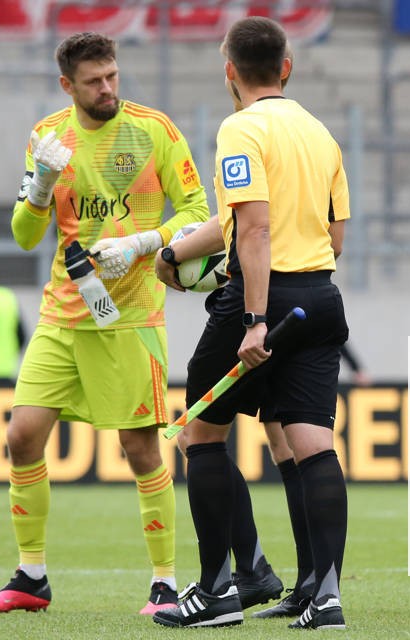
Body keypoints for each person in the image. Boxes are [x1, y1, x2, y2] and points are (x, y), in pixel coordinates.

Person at [0, 31, 210, 615]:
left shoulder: (154, 129)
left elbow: (201, 211)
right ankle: (31, 578)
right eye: (94, 82)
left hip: (131, 315)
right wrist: (41, 187)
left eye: (112, 77)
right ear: (67, 86)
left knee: (139, 448)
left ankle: (164, 583)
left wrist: (144, 242)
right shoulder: (48, 138)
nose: (107, 89)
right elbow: (25, 237)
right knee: (21, 435)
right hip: (63, 312)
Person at [150, 16, 350, 629]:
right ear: (286, 67)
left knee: (199, 437)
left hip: (258, 303)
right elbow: (333, 236)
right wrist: (174, 253)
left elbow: (256, 229)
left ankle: (217, 592)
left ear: (230, 70)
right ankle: (327, 596)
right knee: (314, 445)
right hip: (320, 296)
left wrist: (255, 319)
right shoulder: (320, 134)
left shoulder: (240, 129)